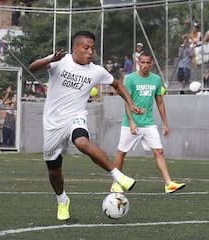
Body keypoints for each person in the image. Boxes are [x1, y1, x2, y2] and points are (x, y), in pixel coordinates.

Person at [28, 31, 143, 221]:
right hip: (53, 123)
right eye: (86, 48)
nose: (90, 52)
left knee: (82, 142)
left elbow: (117, 85)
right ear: (75, 48)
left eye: (93, 48)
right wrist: (51, 59)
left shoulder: (96, 71)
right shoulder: (61, 60)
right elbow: (32, 67)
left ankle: (118, 175)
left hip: (76, 116)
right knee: (54, 170)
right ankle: (62, 200)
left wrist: (130, 103)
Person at [110, 52, 185, 194]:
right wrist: (132, 122)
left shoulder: (156, 79)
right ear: (138, 63)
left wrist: (165, 124)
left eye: (147, 63)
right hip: (130, 123)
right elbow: (127, 101)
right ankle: (116, 183)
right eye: (142, 62)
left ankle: (168, 184)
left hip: (149, 123)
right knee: (122, 153)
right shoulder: (130, 79)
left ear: (152, 64)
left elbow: (160, 103)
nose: (144, 65)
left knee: (159, 151)